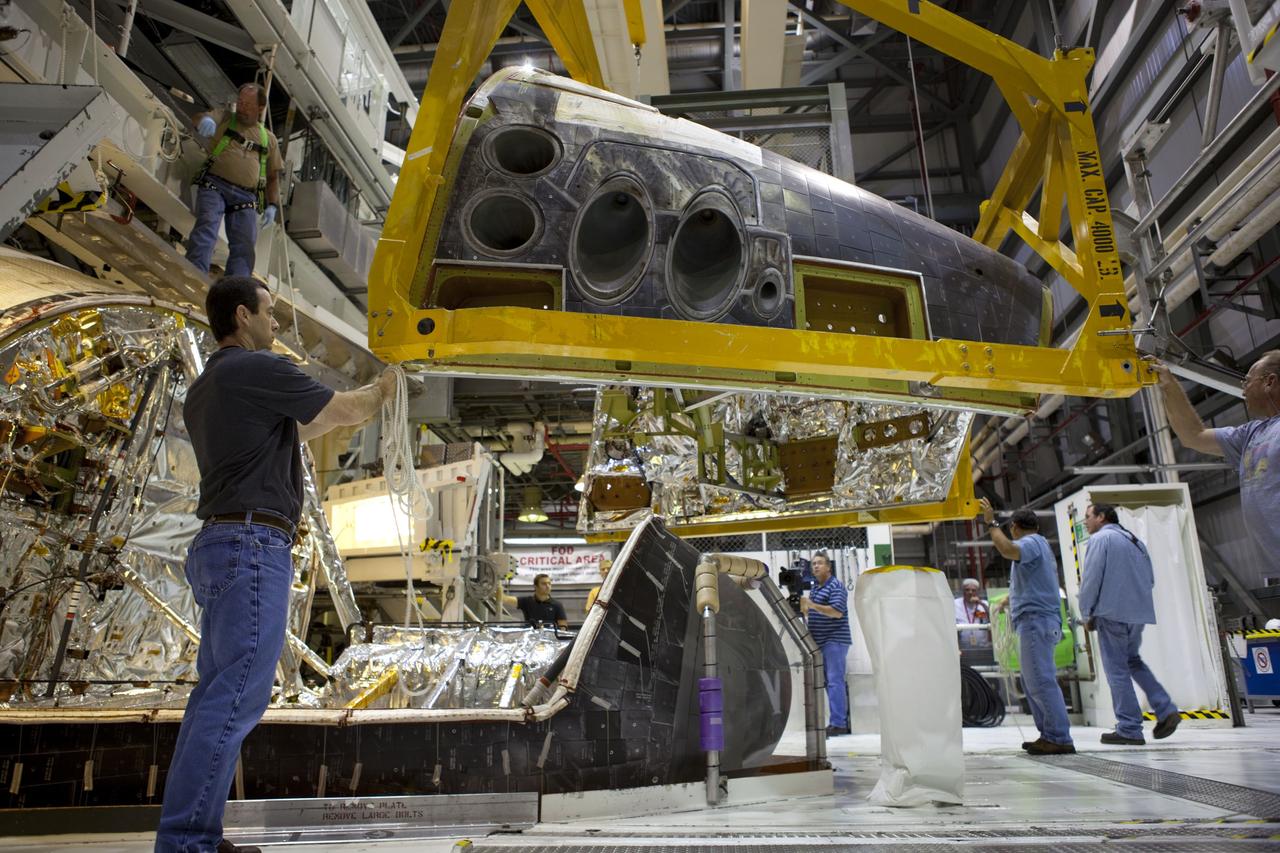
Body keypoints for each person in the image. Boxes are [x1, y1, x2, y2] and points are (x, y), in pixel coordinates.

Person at [156, 276, 397, 853]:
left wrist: (359, 408)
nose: (278, 322)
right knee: (235, 698)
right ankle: (186, 842)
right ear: (242, 316)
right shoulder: (256, 368)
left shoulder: (209, 387)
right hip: (251, 546)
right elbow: (343, 406)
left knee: (214, 699)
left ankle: (195, 833)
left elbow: (310, 424)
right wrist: (389, 386)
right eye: (270, 312)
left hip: (221, 545)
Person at [1154, 353, 1279, 564]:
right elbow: (1193, 436)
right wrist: (1168, 384)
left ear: (1270, 381)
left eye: (1247, 381)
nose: (1243, 389)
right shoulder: (1251, 434)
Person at [1078, 503, 1180, 745]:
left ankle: (1129, 728)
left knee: (1117, 670)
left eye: (1088, 516)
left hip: (1111, 613)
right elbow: (1150, 579)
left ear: (1101, 517)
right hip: (1137, 614)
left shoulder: (1100, 540)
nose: (1085, 521)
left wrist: (1086, 613)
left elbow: (1091, 579)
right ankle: (1165, 708)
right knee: (1132, 661)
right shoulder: (1135, 541)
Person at [980, 498, 1075, 755]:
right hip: (1036, 620)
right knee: (1034, 680)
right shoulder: (1039, 545)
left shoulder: (1030, 543)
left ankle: (1058, 737)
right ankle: (1049, 735)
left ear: (1014, 527)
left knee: (1040, 680)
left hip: (1036, 621)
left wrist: (991, 523)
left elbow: (1007, 549)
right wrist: (1007, 600)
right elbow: (1035, 584)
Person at [186, 83, 283, 278]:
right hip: (215, 185)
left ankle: (236, 287)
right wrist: (204, 120)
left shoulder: (269, 140)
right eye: (240, 102)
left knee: (245, 246)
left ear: (260, 108)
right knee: (207, 226)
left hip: (246, 197)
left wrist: (272, 205)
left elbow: (273, 177)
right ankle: (195, 275)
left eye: (248, 104)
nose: (242, 107)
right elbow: (198, 117)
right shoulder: (224, 117)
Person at [801, 552, 852, 736]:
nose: (816, 566)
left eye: (820, 563)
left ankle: (839, 724)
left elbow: (837, 612)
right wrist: (805, 608)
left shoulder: (836, 586)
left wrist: (812, 605)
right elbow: (813, 612)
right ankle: (837, 720)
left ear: (828, 567)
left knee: (834, 681)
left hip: (834, 640)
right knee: (827, 682)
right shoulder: (816, 588)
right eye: (813, 563)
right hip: (820, 641)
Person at [503, 573, 568, 628]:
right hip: (531, 637)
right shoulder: (527, 602)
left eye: (549, 583)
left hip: (551, 638)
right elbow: (505, 599)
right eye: (544, 584)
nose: (548, 586)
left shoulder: (557, 605)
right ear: (535, 586)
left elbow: (563, 627)